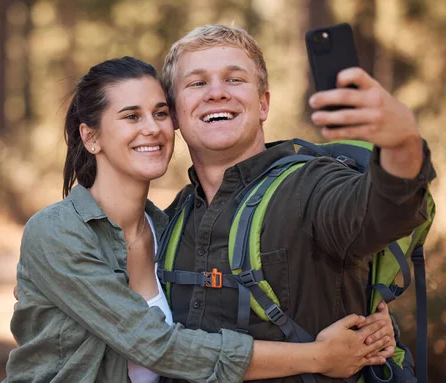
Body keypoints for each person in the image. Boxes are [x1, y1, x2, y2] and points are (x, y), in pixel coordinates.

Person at [3, 56, 393, 383]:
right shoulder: (60, 231)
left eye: (159, 113)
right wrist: (318, 357)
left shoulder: (170, 228)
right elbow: (159, 346)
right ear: (91, 137)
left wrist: (362, 317)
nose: (152, 128)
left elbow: (227, 314)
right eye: (130, 116)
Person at [157, 24, 433, 383]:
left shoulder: (311, 186)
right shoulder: (171, 219)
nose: (216, 93)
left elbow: (383, 212)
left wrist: (401, 142)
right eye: (197, 83)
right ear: (175, 113)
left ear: (264, 104)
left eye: (234, 79)